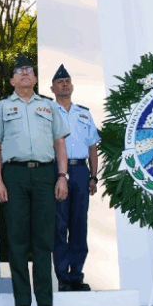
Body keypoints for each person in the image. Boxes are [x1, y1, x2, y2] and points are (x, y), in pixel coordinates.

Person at [0, 55, 70, 306]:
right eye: (19, 70)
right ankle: (22, 302)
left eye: (29, 70)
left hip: (45, 174)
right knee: (17, 240)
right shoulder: (1, 107)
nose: (25, 73)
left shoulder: (48, 106)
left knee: (44, 239)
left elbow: (60, 143)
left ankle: (45, 302)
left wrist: (62, 176)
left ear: (34, 78)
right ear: (12, 80)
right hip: (14, 175)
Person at [51, 64, 100, 292]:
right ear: (52, 88)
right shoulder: (48, 112)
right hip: (56, 171)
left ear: (72, 86)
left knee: (79, 224)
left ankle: (77, 275)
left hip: (80, 171)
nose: (64, 84)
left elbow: (92, 146)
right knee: (59, 225)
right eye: (60, 82)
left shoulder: (84, 113)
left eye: (67, 81)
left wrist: (93, 176)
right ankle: (63, 277)